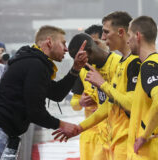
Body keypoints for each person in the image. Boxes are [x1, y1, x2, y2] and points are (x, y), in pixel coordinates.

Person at [53, 11, 141, 160]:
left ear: (120, 32)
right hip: (109, 139)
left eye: (106, 32)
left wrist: (102, 84)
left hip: (130, 142)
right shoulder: (122, 63)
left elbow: (133, 105)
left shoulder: (136, 62)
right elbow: (109, 105)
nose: (103, 38)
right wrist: (79, 128)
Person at [0, 25, 88, 159]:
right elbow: (35, 111)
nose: (66, 48)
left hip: (7, 132)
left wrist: (75, 68)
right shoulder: (35, 64)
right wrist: (61, 124)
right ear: (49, 41)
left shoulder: (33, 61)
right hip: (2, 132)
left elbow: (56, 93)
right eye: (63, 43)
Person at [70, 25, 121, 160]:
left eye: (98, 42)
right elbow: (74, 103)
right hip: (91, 132)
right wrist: (80, 102)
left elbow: (124, 101)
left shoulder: (119, 64)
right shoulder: (83, 71)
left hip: (116, 131)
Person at [127, 16, 158, 160]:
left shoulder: (149, 66)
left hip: (148, 151)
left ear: (138, 36)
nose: (127, 41)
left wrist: (144, 136)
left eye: (129, 35)